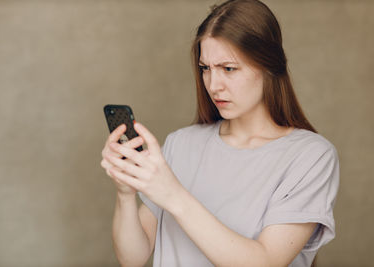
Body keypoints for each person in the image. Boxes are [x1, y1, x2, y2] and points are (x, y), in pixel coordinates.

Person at [100, 0, 340, 266]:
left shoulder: (310, 156)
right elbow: (132, 259)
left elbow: (266, 261)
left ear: (269, 67)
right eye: (206, 69)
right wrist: (125, 194)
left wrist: (173, 194)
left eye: (228, 69)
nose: (214, 85)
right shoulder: (181, 143)